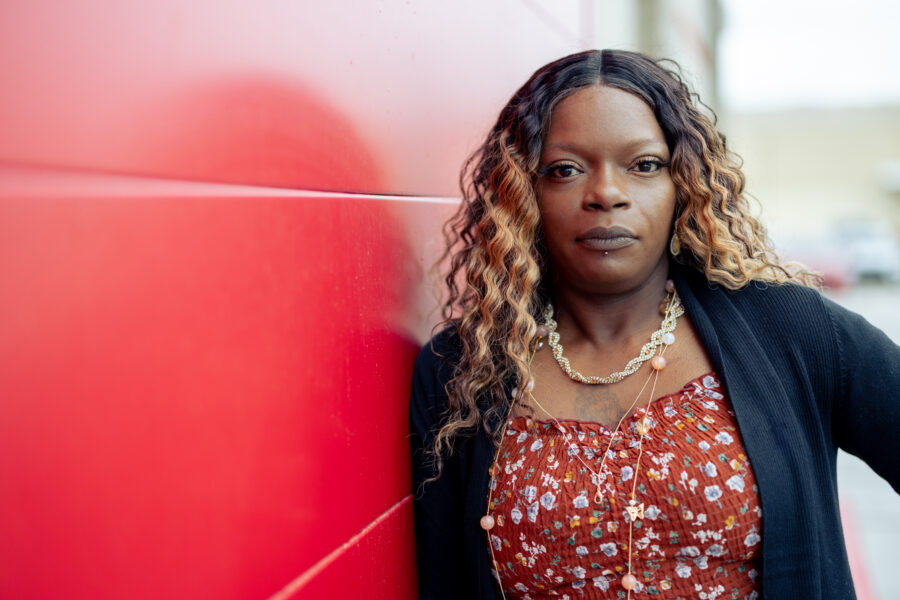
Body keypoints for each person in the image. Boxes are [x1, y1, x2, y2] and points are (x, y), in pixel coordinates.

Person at [408, 49, 900, 600]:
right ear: (523, 192)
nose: (607, 194)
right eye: (566, 169)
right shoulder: (461, 372)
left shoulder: (790, 330)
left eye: (643, 165)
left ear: (682, 183)